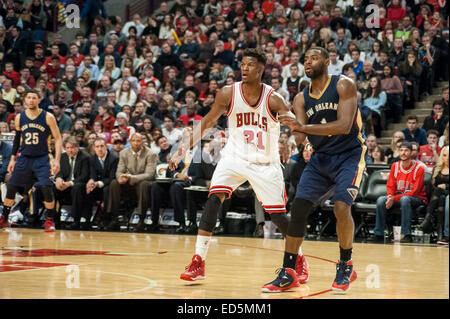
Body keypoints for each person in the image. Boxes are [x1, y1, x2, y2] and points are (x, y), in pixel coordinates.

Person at [169, 48, 307, 283]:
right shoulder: (227, 93)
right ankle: (198, 261)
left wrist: (303, 138)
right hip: (234, 157)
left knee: (278, 217)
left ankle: (300, 258)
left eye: (250, 65)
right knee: (213, 199)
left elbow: (296, 126)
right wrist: (183, 147)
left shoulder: (273, 98)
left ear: (261, 70)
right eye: (242, 64)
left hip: (265, 162)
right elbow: (207, 122)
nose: (244, 68)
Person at [266, 47, 366, 292]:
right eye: (305, 59)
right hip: (321, 158)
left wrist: (304, 128)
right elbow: (300, 132)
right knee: (298, 209)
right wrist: (300, 141)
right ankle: (289, 271)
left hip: (349, 155)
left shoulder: (344, 85)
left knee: (342, 207)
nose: (308, 61)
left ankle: (345, 263)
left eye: (313, 57)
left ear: (326, 61)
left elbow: (343, 125)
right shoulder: (301, 98)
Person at [0, 89, 62, 231]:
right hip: (25, 157)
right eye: (29, 97)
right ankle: (4, 217)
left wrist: (57, 160)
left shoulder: (48, 117)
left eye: (34, 97)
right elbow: (17, 139)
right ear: (25, 100)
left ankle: (50, 220)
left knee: (46, 187)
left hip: (43, 157)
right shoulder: (19, 117)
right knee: (12, 186)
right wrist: (12, 159)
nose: (31, 100)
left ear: (39, 100)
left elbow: (58, 139)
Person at [372, 142, 428, 243]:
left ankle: (406, 234)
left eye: (406, 150)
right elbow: (390, 185)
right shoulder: (395, 166)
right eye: (401, 150)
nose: (403, 153)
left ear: (411, 153)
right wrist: (390, 196)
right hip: (399, 198)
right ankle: (378, 233)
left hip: (418, 198)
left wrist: (394, 198)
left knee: (405, 199)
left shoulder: (419, 168)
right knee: (381, 200)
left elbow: (414, 192)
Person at [105, 133, 157, 232]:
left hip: (146, 183)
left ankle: (141, 219)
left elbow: (149, 175)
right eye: (134, 141)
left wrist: (131, 177)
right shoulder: (124, 153)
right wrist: (120, 178)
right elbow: (119, 171)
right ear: (130, 142)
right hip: (131, 182)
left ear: (142, 142)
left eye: (138, 141)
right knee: (114, 183)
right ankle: (113, 218)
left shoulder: (151, 154)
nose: (136, 143)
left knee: (143, 184)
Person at [54, 137, 90, 230]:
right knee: (53, 188)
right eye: (68, 148)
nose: (70, 150)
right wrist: (58, 178)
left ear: (77, 147)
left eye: (73, 147)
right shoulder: (62, 157)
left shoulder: (85, 157)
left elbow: (84, 176)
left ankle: (76, 220)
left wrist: (70, 183)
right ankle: (55, 219)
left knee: (77, 187)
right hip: (65, 185)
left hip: (78, 186)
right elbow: (59, 172)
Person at [86, 137, 119, 230]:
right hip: (96, 184)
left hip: (109, 185)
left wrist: (98, 183)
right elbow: (92, 174)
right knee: (86, 188)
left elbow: (112, 177)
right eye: (97, 147)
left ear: (107, 147)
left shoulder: (114, 159)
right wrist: (91, 180)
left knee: (106, 189)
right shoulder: (92, 158)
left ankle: (107, 219)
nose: (99, 149)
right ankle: (86, 219)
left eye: (102, 146)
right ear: (94, 148)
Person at [419, 146, 449, 237]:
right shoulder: (437, 168)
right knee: (441, 199)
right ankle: (441, 234)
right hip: (439, 196)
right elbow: (433, 186)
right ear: (441, 156)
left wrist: (446, 186)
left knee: (440, 192)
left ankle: (428, 219)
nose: (447, 158)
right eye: (445, 155)